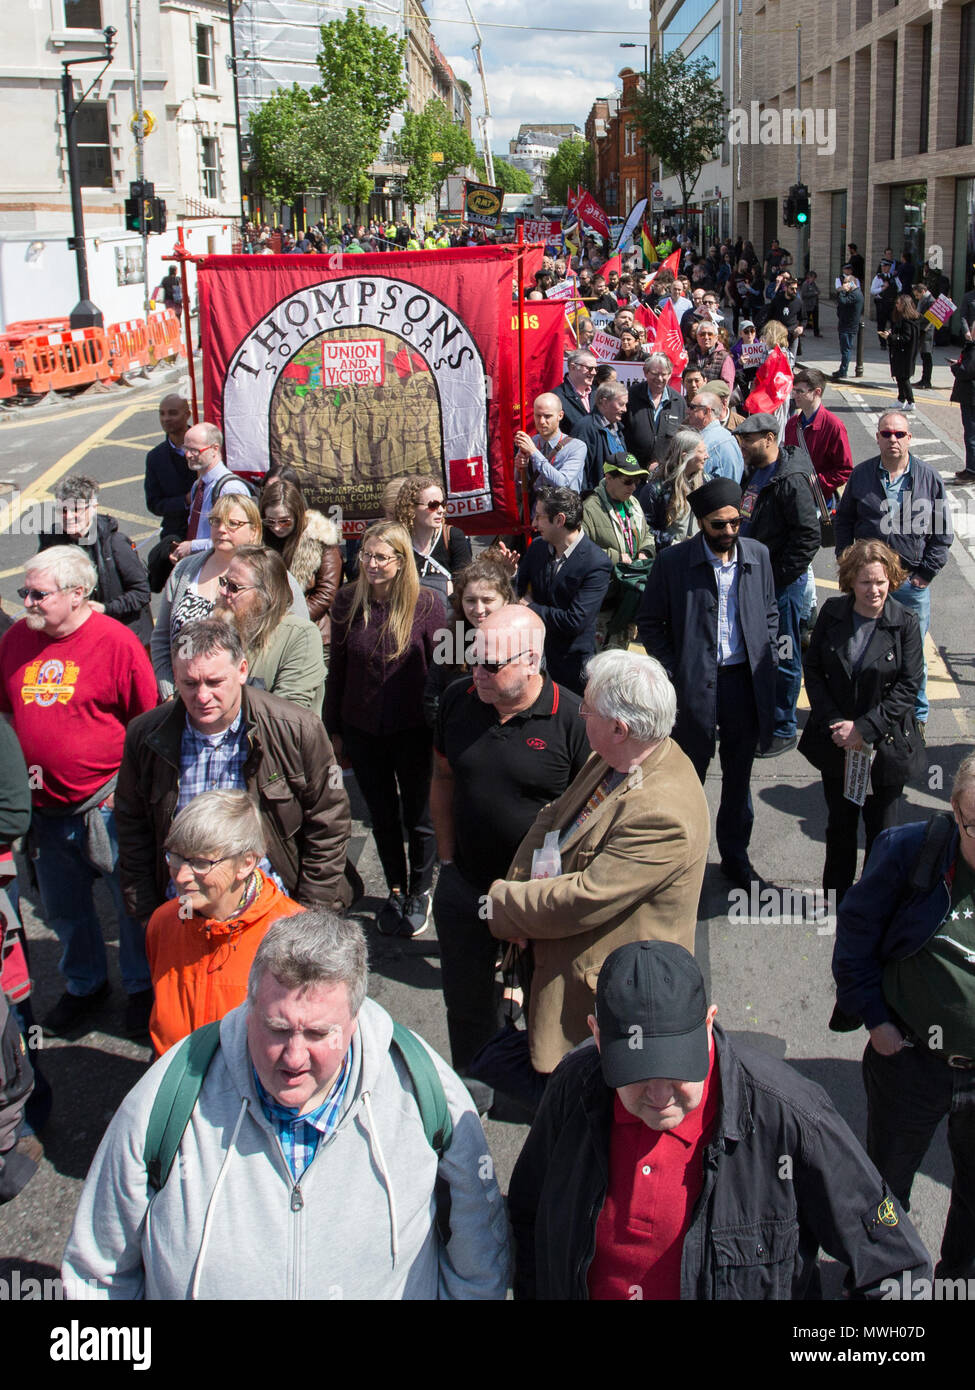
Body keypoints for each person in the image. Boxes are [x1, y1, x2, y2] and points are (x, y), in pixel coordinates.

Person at [62, 911, 510, 1300]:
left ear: (355, 1021)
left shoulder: (426, 1094)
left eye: (318, 1034)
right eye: (277, 1029)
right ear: (250, 1006)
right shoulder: (169, 1096)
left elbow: (479, 1263)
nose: (293, 1058)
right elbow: (97, 1272)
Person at [508, 939, 931, 1299]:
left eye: (676, 1069)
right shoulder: (574, 1086)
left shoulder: (788, 1115)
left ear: (708, 1024)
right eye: (635, 1074)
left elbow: (899, 1270)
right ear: (598, 1037)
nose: (659, 1098)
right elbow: (528, 1219)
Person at [487, 651, 709, 1077]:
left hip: (601, 1006)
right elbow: (554, 815)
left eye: (587, 708)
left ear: (619, 728)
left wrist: (506, 906)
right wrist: (520, 883)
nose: (579, 712)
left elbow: (586, 898)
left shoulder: (661, 815)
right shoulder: (620, 755)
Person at [0, 548, 158, 1038]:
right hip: (43, 812)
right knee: (64, 910)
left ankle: (140, 989)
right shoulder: (14, 641)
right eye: (24, 592)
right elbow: (7, 713)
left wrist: (125, 793)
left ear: (77, 593)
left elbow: (146, 724)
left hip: (104, 805)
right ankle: (85, 985)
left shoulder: (116, 642)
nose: (26, 601)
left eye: (38, 594)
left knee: (131, 905)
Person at [832, 753, 975, 1280]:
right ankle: (880, 1286)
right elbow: (855, 937)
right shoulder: (911, 851)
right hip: (913, 1062)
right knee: (887, 1191)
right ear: (956, 812)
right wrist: (875, 1019)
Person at [431, 606, 588, 1080]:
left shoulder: (574, 720)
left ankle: (550, 1091)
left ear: (531, 662)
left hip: (539, 899)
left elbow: (591, 822)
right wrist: (446, 859)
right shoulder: (459, 701)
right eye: (472, 659)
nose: (476, 673)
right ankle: (474, 1087)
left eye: (491, 665)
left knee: (550, 1002)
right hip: (467, 884)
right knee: (466, 1000)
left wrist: (541, 899)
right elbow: (442, 777)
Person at [117, 619, 353, 923]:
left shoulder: (297, 730)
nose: (202, 697)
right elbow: (132, 830)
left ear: (242, 671)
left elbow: (329, 824)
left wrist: (307, 916)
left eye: (215, 682)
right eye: (189, 683)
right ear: (174, 676)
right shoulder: (145, 736)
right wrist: (148, 917)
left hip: (272, 915)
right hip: (184, 914)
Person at [638, 478, 777, 889]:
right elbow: (650, 623)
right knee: (685, 780)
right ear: (701, 523)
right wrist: (676, 669)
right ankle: (679, 862)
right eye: (719, 526)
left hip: (742, 686)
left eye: (736, 523)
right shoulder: (673, 562)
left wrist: (762, 643)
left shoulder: (758, 556)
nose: (729, 533)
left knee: (738, 783)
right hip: (693, 687)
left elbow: (769, 611)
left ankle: (736, 859)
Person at [325, 522, 443, 938]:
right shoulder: (345, 602)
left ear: (400, 561)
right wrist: (333, 730)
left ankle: (420, 889)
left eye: (381, 557)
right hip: (363, 729)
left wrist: (448, 726)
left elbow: (450, 666)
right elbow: (336, 671)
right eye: (366, 556)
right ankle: (396, 886)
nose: (371, 565)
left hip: (413, 731)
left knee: (419, 816)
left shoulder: (430, 604)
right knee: (382, 816)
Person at [799, 540, 924, 906]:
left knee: (883, 832)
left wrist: (863, 730)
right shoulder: (833, 614)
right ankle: (837, 899)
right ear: (851, 580)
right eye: (867, 582)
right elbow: (814, 670)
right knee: (839, 827)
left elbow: (908, 687)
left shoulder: (904, 623)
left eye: (882, 582)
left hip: (884, 750)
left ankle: (876, 902)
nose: (875, 590)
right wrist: (838, 722)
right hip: (838, 745)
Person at [147, 790, 303, 1057]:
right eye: (176, 857)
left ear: (246, 863)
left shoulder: (294, 936)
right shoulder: (163, 923)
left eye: (200, 862)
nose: (182, 876)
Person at [833, 410, 953, 728]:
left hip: (910, 585)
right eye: (887, 434)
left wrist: (924, 575)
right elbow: (844, 520)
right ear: (878, 438)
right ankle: (867, 712)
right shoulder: (861, 476)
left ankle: (917, 717)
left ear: (909, 438)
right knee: (864, 648)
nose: (893, 440)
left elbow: (942, 534)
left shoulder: (929, 478)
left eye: (899, 434)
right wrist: (847, 560)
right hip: (869, 583)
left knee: (913, 654)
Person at [152, 494, 307, 700]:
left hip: (248, 700)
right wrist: (169, 693)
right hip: (183, 700)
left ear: (254, 531)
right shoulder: (184, 570)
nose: (221, 529)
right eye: (216, 521)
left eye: (233, 523)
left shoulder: (276, 577)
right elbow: (161, 639)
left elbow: (299, 639)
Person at [735, 413, 821, 756]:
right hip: (756, 579)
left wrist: (779, 578)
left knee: (783, 654)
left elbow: (808, 537)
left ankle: (783, 727)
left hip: (780, 587)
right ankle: (765, 714)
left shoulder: (790, 480)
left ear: (769, 438)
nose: (742, 446)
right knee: (761, 652)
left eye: (749, 440)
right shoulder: (758, 471)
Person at [515, 486, 613, 695]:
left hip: (571, 668)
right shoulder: (537, 549)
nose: (533, 524)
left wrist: (531, 607)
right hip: (532, 659)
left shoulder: (596, 563)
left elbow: (574, 621)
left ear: (559, 520)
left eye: (539, 517)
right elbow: (517, 593)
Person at [38, 475, 151, 644]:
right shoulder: (52, 543)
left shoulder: (116, 543)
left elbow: (142, 593)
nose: (68, 516)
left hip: (122, 636)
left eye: (76, 509)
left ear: (93, 508)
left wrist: (105, 608)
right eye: (62, 510)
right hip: (79, 635)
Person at [214, 546, 326, 712]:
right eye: (224, 582)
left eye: (234, 587)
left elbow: (288, 713)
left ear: (266, 594)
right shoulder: (218, 629)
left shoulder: (301, 636)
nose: (223, 592)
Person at [422, 550, 515, 727]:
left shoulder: (524, 640)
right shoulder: (451, 640)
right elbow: (433, 696)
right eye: (471, 600)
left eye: (487, 600)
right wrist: (446, 735)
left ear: (506, 600)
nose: (479, 610)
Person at [259, 479, 342, 660]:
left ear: (297, 515)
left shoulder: (320, 537)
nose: (277, 527)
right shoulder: (258, 539)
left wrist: (291, 619)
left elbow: (326, 593)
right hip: (265, 633)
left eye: (285, 522)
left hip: (312, 632)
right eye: (270, 521)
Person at [172, 422, 250, 558]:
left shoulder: (230, 489)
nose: (188, 455)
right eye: (186, 448)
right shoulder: (198, 485)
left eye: (195, 450)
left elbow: (236, 539)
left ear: (214, 449)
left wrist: (192, 547)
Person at [395, 474, 472, 605]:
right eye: (433, 505)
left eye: (443, 504)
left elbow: (464, 588)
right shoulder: (398, 542)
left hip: (450, 619)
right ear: (411, 508)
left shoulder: (453, 536)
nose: (441, 510)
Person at [638, 429, 711, 550]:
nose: (706, 456)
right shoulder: (656, 489)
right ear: (685, 455)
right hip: (669, 556)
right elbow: (645, 529)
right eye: (701, 451)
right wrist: (673, 543)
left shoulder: (705, 483)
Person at [513, 392, 588, 501]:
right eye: (538, 416)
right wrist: (519, 470)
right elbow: (520, 490)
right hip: (537, 514)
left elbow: (562, 483)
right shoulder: (530, 442)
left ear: (560, 415)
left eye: (547, 416)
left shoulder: (576, 446)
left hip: (564, 513)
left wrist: (534, 453)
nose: (542, 421)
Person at [144, 394, 194, 545]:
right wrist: (184, 501)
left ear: (187, 415)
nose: (166, 418)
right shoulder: (155, 457)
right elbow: (154, 504)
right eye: (162, 413)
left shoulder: (207, 447)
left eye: (173, 413)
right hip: (175, 534)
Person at [623, 353, 687, 472]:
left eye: (664, 374)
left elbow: (683, 437)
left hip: (666, 472)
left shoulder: (678, 401)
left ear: (670, 375)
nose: (659, 378)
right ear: (645, 372)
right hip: (633, 471)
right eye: (655, 374)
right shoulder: (630, 396)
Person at [572, 382, 630, 491]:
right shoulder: (586, 428)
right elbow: (580, 472)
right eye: (621, 404)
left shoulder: (617, 428)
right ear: (604, 402)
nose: (625, 409)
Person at [686, 390, 743, 483]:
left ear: (706, 411)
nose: (687, 411)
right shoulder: (726, 437)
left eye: (692, 407)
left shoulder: (710, 443)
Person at [879, 293, 921, 411]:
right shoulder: (904, 318)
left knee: (903, 377)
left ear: (904, 305)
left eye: (898, 303)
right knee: (899, 376)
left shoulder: (907, 321)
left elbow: (906, 338)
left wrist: (890, 337)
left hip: (904, 354)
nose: (896, 305)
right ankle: (901, 399)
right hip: (902, 353)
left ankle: (911, 401)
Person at [948, 334, 975, 483]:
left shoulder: (973, 349)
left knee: (971, 435)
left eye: (971, 330)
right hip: (970, 397)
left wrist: (955, 367)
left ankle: (972, 472)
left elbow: (966, 371)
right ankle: (970, 469)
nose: (968, 333)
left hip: (971, 398)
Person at [552, 349, 598, 434]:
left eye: (595, 368)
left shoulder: (597, 394)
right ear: (573, 367)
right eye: (590, 368)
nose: (594, 372)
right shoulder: (556, 398)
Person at [831, 265, 865, 381]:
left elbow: (842, 301)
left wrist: (842, 291)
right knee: (844, 348)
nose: (843, 285)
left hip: (848, 326)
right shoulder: (855, 293)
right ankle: (842, 369)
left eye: (845, 283)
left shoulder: (855, 295)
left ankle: (843, 371)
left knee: (846, 349)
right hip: (846, 324)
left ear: (851, 283)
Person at [687, 320, 736, 388]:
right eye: (702, 334)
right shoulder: (689, 354)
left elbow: (727, 386)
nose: (706, 337)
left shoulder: (724, 358)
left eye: (710, 334)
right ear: (697, 337)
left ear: (716, 338)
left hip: (714, 397)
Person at [911, 280, 935, 390]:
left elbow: (929, 319)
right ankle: (923, 379)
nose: (916, 298)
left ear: (923, 291)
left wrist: (916, 316)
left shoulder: (931, 301)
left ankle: (926, 381)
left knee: (927, 357)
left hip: (927, 332)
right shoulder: (924, 299)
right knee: (924, 356)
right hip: (922, 331)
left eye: (917, 295)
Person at [799, 269, 821, 336]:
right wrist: (813, 293)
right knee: (805, 320)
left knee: (815, 320)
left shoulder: (813, 284)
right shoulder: (805, 284)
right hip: (808, 305)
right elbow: (803, 295)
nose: (814, 280)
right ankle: (801, 332)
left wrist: (817, 292)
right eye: (813, 278)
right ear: (810, 277)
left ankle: (816, 333)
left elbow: (818, 290)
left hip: (814, 305)